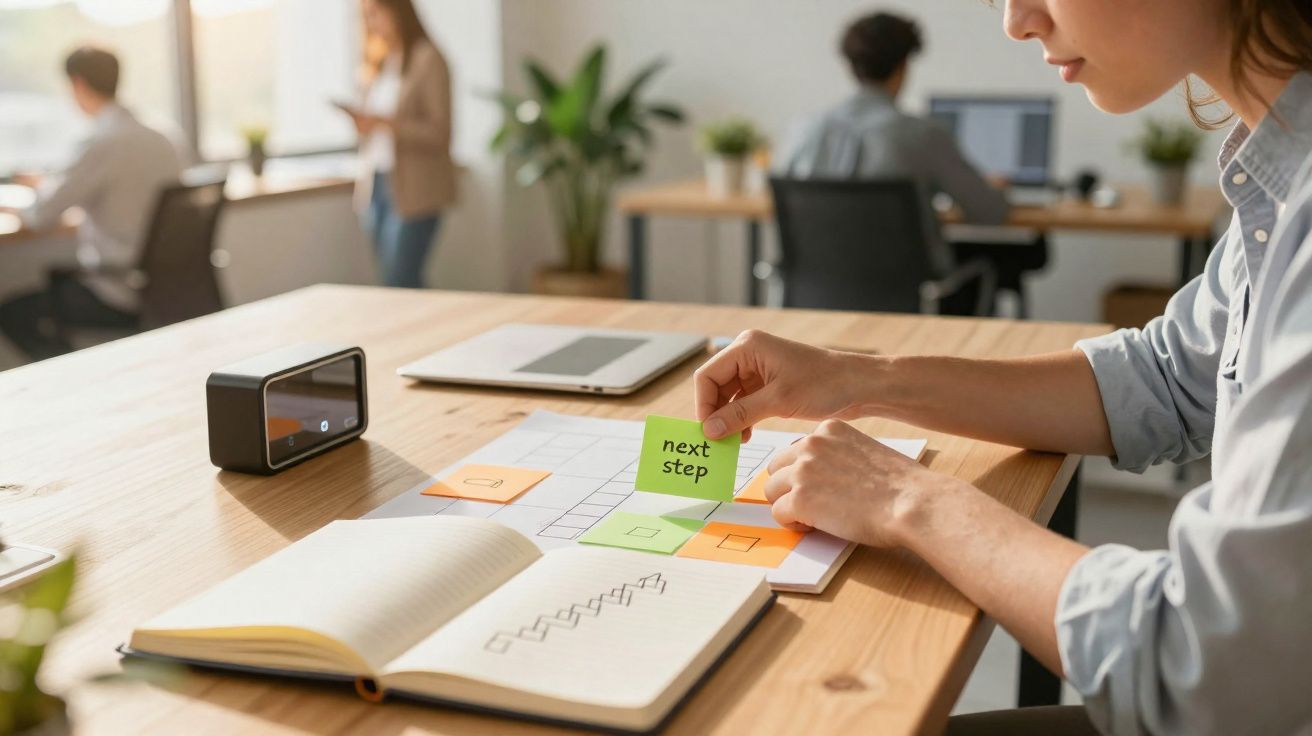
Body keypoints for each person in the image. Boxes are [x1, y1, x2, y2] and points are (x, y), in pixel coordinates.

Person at [697, 0, 1312, 732]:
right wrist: (858, 378)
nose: (1016, 21)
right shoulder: (1278, 178)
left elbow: (1202, 668)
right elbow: (1169, 376)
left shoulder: (801, 132)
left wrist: (908, 498)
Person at [0, 46, 183, 361]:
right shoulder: (163, 136)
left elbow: (41, 216)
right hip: (167, 287)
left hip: (117, 290)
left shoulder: (102, 143)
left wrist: (13, 206)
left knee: (11, 313)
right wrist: (47, 185)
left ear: (77, 84)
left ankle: (71, 380)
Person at [347, 0, 456, 289]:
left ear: (398, 11)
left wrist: (388, 124)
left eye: (376, 14)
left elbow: (440, 132)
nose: (371, 24)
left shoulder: (428, 59)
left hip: (415, 187)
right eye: (366, 17)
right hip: (377, 183)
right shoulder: (379, 65)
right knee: (391, 280)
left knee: (402, 277)